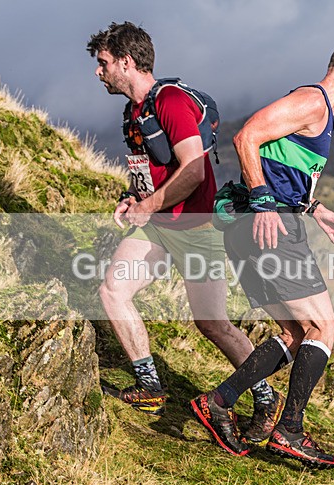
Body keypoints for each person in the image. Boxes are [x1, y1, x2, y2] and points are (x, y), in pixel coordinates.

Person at [189, 41, 334, 467]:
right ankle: (289, 429)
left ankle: (218, 403)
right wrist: (263, 201)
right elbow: (248, 137)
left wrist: (313, 207)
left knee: (298, 333)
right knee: (325, 325)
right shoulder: (313, 102)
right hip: (268, 227)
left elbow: (281, 168)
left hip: (259, 227)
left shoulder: (316, 111)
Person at [86, 22, 284, 437]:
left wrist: (150, 205)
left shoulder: (172, 101)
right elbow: (155, 172)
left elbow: (194, 171)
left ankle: (265, 398)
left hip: (197, 227)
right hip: (158, 227)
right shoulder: (135, 112)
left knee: (211, 324)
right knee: (112, 291)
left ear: (126, 61)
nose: (98, 72)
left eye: (103, 63)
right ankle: (149, 385)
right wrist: (134, 197)